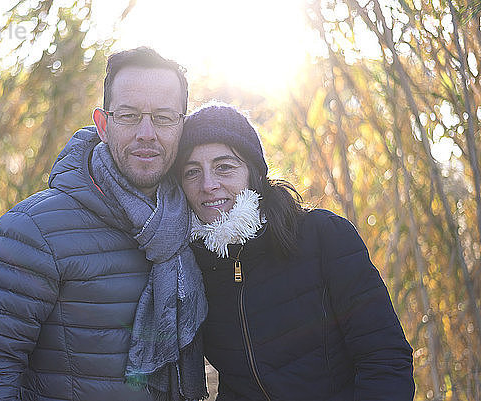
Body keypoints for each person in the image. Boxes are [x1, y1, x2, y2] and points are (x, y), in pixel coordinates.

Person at [0, 47, 208, 401]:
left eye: (164, 117)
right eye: (129, 115)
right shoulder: (32, 231)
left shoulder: (195, 223)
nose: (147, 133)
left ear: (182, 126)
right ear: (103, 125)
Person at [175, 103, 415, 401]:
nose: (208, 185)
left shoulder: (325, 236)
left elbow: (385, 360)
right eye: (192, 172)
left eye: (224, 167)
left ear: (254, 173)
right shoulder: (190, 266)